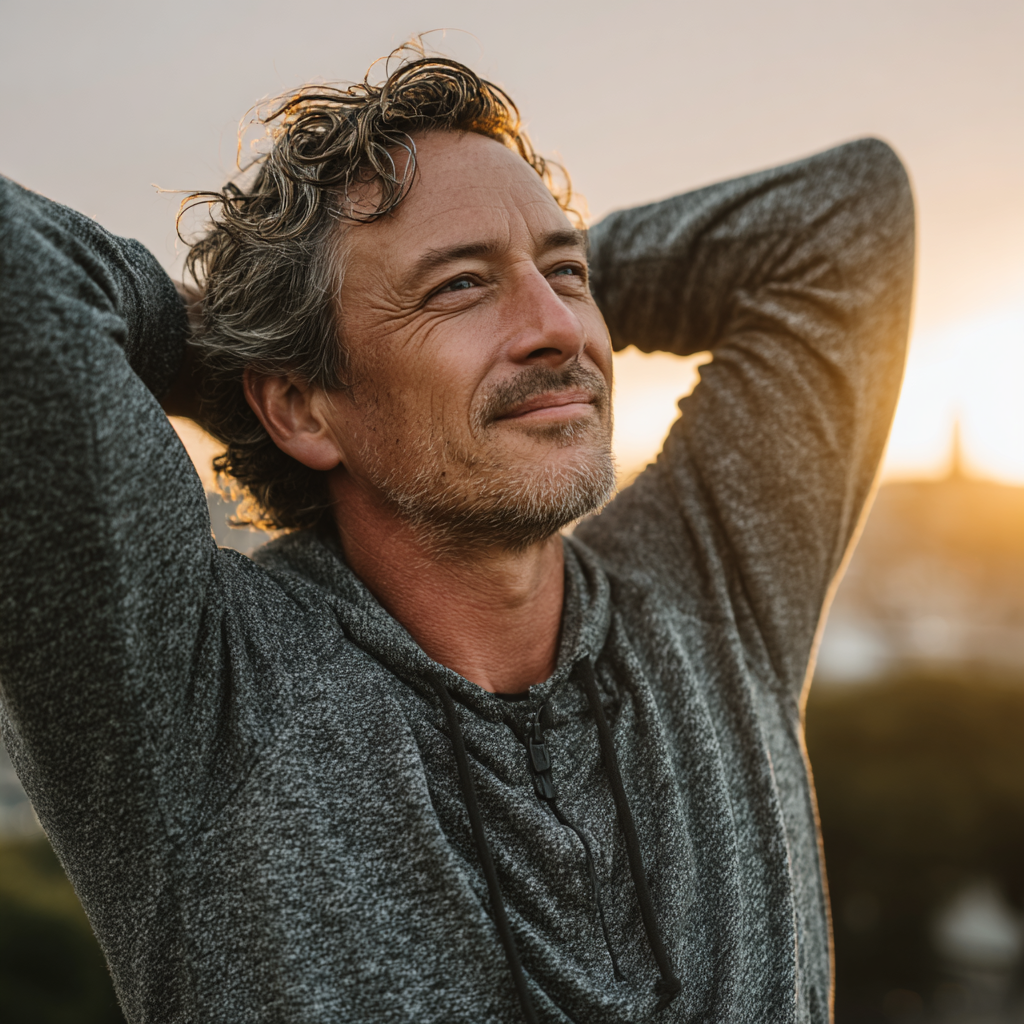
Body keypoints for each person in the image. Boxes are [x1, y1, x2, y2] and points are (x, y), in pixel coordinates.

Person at [0, 49, 914, 1024]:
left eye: (568, 274)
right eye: (457, 288)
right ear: (303, 412)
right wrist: (247, 346)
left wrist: (501, 282)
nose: (560, 328)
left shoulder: (708, 597)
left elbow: (845, 217)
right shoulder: (198, 696)